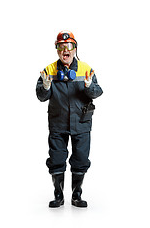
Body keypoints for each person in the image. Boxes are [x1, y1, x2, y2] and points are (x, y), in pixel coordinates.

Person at [36, 30, 103, 208]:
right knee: (56, 158)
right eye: (61, 46)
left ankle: (76, 194)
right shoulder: (49, 70)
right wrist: (45, 85)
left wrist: (89, 86)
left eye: (69, 46)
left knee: (81, 158)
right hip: (58, 123)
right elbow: (41, 97)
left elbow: (97, 92)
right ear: (57, 50)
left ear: (75, 49)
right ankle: (58, 195)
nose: (65, 50)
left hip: (81, 122)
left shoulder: (86, 69)